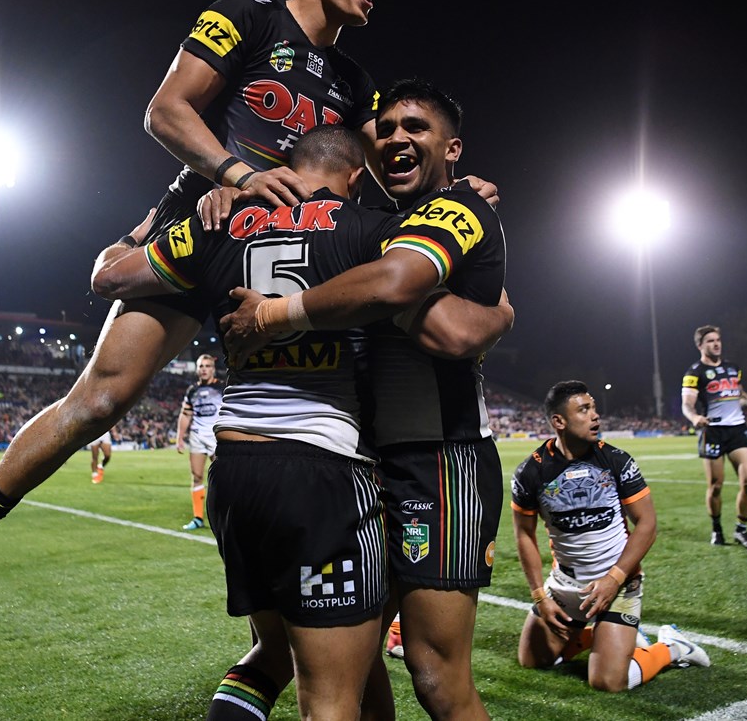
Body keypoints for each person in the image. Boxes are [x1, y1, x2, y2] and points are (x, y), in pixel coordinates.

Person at [0, 0, 387, 640]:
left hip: (296, 256)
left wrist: (453, 193)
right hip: (211, 227)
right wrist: (235, 175)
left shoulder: (356, 83)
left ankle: (368, 603)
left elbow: (386, 176)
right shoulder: (249, 16)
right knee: (100, 400)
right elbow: (165, 110)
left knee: (366, 395)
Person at [92, 123, 510, 721]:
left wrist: (160, 215)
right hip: (323, 472)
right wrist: (498, 300)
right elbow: (450, 328)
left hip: (234, 471)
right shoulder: (370, 231)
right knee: (331, 697)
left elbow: (109, 276)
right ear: (356, 176)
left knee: (272, 654)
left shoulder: (220, 222)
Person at [221, 79, 508, 721]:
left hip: (441, 462)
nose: (397, 138)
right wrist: (227, 187)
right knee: (350, 658)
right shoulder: (368, 226)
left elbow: (451, 331)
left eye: (417, 127)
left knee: (435, 675)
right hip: (357, 464)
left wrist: (286, 309)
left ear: (452, 148)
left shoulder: (459, 210)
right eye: (387, 129)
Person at [510, 380, 710, 692]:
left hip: (617, 583)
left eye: (593, 408)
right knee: (532, 660)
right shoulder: (530, 472)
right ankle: (604, 638)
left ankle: (672, 647)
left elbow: (647, 524)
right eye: (584, 410)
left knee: (608, 681)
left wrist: (614, 579)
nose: (595, 415)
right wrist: (539, 595)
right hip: (565, 586)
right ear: (559, 421)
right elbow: (524, 535)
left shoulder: (616, 460)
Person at [680, 324, 747, 549]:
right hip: (713, 431)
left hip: (736, 430)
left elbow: (738, 394)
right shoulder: (694, 373)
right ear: (700, 345)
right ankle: (717, 529)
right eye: (710, 341)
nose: (716, 344)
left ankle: (741, 530)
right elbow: (687, 403)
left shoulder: (733, 368)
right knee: (715, 486)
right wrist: (694, 417)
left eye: (718, 340)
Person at [174, 353, 223, 529]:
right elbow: (185, 414)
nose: (204, 369)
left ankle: (223, 516)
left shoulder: (222, 387)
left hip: (217, 436)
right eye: (201, 366)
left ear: (213, 369)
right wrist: (179, 437)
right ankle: (198, 518)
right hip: (197, 436)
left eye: (207, 366)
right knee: (197, 477)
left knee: (222, 478)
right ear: (197, 369)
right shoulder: (192, 390)